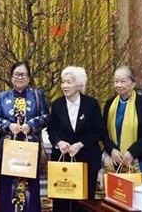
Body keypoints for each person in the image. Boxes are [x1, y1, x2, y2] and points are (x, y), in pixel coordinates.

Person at [0, 61, 49, 212]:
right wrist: (8, 126)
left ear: (29, 77)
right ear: (11, 77)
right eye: (16, 74)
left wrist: (31, 125)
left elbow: (46, 117)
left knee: (31, 188)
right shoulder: (2, 97)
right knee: (7, 188)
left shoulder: (37, 95)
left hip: (29, 150)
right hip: (9, 150)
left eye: (23, 74)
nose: (19, 77)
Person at [47, 66, 105, 212]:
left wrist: (80, 144)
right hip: (63, 160)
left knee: (84, 203)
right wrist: (58, 142)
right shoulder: (57, 104)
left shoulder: (91, 104)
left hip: (86, 159)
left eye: (69, 82)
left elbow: (99, 131)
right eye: (63, 82)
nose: (64, 86)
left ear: (79, 85)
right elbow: (51, 129)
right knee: (61, 203)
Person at [103, 65, 142, 187]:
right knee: (118, 198)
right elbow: (103, 132)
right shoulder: (109, 103)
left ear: (133, 83)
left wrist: (132, 152)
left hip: (140, 158)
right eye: (116, 81)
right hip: (115, 158)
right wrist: (111, 149)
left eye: (123, 81)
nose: (118, 85)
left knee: (139, 199)